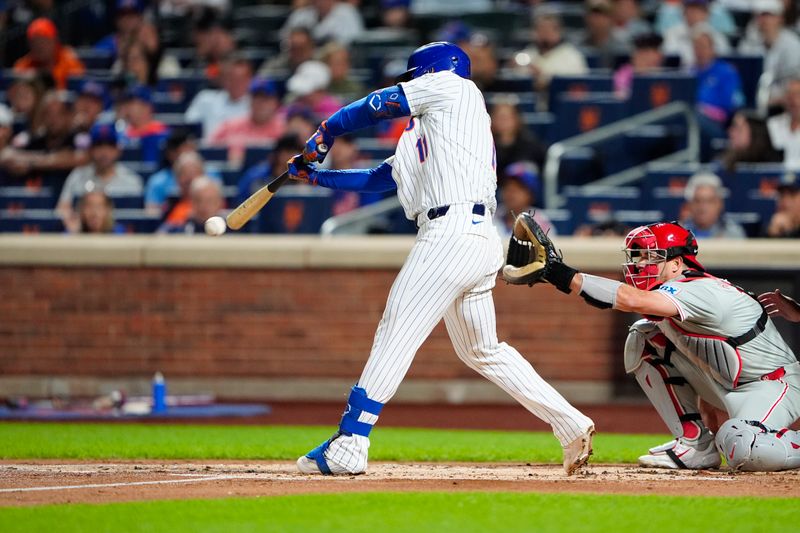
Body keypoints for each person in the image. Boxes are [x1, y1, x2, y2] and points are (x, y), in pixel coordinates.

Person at [286, 41, 595, 477]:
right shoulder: (427, 132)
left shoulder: (456, 88)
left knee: (397, 327)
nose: (411, 85)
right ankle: (570, 423)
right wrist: (317, 176)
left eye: (413, 78)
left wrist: (328, 129)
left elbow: (378, 105)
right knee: (481, 350)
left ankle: (351, 441)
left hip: (451, 234)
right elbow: (380, 178)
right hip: (472, 238)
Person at [503, 217, 800, 471]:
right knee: (644, 335)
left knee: (741, 445)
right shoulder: (675, 294)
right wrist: (707, 406)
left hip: (773, 386)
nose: (640, 263)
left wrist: (560, 274)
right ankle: (694, 443)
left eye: (650, 257)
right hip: (732, 382)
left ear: (676, 263)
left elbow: (630, 300)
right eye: (638, 256)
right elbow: (710, 353)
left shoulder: (700, 288)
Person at [57, 123, 142, 232]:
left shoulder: (132, 181)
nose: (104, 152)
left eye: (109, 146)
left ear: (118, 150)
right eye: (99, 145)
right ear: (90, 150)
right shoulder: (77, 176)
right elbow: (62, 209)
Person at [512, 11, 588, 100]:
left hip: (560, 105)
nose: (544, 34)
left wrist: (544, 77)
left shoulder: (572, 56)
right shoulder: (526, 54)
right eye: (540, 29)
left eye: (549, 29)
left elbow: (578, 87)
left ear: (559, 31)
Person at [210, 78, 286, 166]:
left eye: (265, 98)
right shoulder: (230, 126)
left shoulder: (284, 128)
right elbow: (211, 151)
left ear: (275, 102)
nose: (260, 103)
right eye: (256, 98)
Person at [738, 0, 800, 107]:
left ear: (780, 18)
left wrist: (773, 99)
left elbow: (794, 82)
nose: (764, 20)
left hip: (783, 104)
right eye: (760, 16)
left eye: (769, 15)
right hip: (752, 99)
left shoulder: (793, 44)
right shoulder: (748, 43)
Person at [185, 55, 252, 139]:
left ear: (249, 80)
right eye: (231, 78)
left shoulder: (256, 105)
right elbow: (189, 125)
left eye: (240, 79)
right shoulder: (205, 99)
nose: (235, 83)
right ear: (224, 78)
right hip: (210, 149)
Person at [13, 18, 85, 90]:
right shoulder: (23, 66)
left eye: (44, 41)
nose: (40, 47)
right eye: (35, 42)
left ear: (55, 41)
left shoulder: (70, 62)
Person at [237, 133, 302, 207]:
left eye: (298, 152)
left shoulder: (304, 173)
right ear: (278, 153)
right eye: (289, 151)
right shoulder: (257, 176)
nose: (294, 156)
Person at [662, 0, 730, 68]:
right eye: (691, 10)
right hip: (681, 74)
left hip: (709, 73)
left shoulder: (716, 36)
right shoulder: (672, 33)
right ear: (683, 13)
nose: (695, 14)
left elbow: (723, 60)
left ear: (707, 13)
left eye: (699, 10)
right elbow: (670, 60)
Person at [495, 161, 555, 238]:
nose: (511, 192)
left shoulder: (540, 222)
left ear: (530, 195)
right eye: (507, 187)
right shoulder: (490, 216)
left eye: (518, 188)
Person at [679, 172, 746, 238]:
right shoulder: (677, 233)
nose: (703, 207)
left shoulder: (733, 234)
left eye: (709, 201)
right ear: (689, 205)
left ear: (720, 204)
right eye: (697, 201)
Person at [491, 99, 547, 173]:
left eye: (507, 117)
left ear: (517, 119)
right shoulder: (486, 147)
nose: (504, 122)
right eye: (500, 117)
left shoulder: (532, 145)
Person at [118, 85, 169, 164]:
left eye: (132, 104)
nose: (127, 108)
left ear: (148, 107)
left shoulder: (163, 134)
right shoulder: (120, 136)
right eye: (126, 104)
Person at [717, 110, 782, 172]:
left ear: (755, 133)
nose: (731, 132)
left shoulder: (773, 166)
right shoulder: (724, 161)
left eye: (738, 129)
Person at [158, 176, 225, 234]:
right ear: (191, 202)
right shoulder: (178, 228)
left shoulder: (230, 231)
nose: (203, 206)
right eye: (198, 200)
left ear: (219, 203)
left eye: (209, 201)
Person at [280, 0, 364, 45]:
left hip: (332, 60)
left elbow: (353, 41)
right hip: (304, 58)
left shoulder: (347, 12)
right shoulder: (301, 14)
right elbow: (284, 38)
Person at [580, 0, 631, 69]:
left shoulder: (623, 47)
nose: (597, 20)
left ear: (612, 18)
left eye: (603, 14)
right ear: (586, 17)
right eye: (593, 14)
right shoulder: (576, 45)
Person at [613, 32, 663, 98]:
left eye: (655, 51)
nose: (651, 56)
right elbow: (620, 94)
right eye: (645, 51)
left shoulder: (665, 75)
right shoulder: (623, 74)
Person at [767, 77, 800, 171]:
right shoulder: (772, 125)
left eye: (798, 94)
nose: (794, 101)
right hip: (776, 179)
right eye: (790, 95)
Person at [765, 173, 800, 238]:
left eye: (792, 195)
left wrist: (790, 232)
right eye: (781, 195)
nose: (785, 201)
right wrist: (774, 234)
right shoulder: (769, 228)